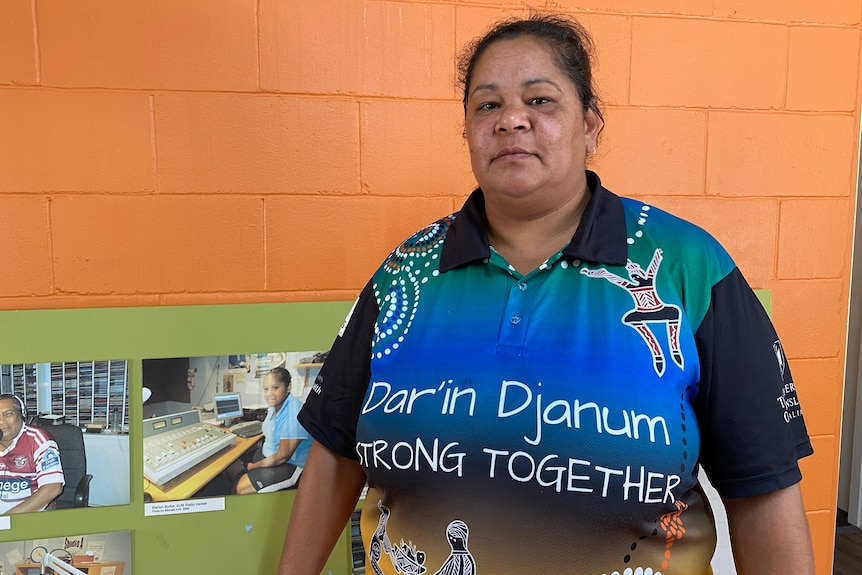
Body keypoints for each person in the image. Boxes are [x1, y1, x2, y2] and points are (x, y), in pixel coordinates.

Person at [278, 13, 815, 575]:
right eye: (487, 106)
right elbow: (337, 451)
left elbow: (763, 489)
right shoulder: (406, 271)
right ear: (466, 132)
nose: (511, 120)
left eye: (540, 101)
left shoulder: (690, 266)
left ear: (590, 125)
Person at [233, 367, 311, 494]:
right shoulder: (274, 406)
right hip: (269, 454)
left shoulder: (293, 413)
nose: (269, 394)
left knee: (239, 488)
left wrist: (253, 466)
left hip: (290, 464)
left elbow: (282, 457)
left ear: (288, 387)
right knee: (233, 467)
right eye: (266, 389)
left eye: (275, 388)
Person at [0, 395, 64, 514]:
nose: (1, 421)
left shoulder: (38, 439)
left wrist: (7, 519)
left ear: (21, 416)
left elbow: (53, 487)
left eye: (8, 414)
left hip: (29, 514)